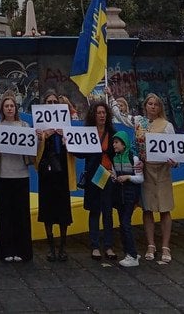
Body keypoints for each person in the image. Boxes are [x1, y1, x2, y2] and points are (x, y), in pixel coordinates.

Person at [134, 93, 177, 263]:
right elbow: (120, 117)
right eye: (150, 103)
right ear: (145, 106)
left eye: (156, 104)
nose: (152, 106)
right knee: (148, 208)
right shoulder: (139, 122)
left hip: (163, 171)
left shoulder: (167, 126)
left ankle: (165, 245)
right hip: (146, 170)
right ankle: (150, 244)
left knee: (165, 208)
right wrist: (111, 98)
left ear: (160, 107)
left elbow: (175, 150)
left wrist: (175, 162)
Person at [0, 95, 33, 262]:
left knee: (21, 214)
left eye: (12, 106)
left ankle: (23, 251)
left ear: (16, 108)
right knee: (4, 214)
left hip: (21, 174)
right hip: (2, 174)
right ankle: (5, 250)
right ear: (2, 109)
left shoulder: (25, 125)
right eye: (6, 106)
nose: (9, 108)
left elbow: (31, 150)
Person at [35, 90, 73, 262]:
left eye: (54, 102)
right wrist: (44, 136)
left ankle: (63, 247)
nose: (51, 105)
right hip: (47, 173)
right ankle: (51, 247)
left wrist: (66, 139)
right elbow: (34, 151)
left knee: (63, 209)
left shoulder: (66, 126)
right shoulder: (40, 127)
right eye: (48, 102)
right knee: (47, 209)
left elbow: (76, 147)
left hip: (63, 172)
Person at [81, 101, 117, 261]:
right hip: (93, 176)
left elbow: (117, 154)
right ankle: (95, 246)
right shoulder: (87, 133)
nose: (102, 115)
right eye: (99, 113)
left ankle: (109, 246)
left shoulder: (112, 132)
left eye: (104, 113)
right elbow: (81, 154)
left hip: (108, 175)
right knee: (95, 211)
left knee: (108, 212)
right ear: (93, 116)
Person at [111, 130, 144, 267]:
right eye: (114, 142)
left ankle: (132, 254)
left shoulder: (133, 158)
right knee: (122, 224)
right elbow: (114, 173)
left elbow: (140, 178)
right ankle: (128, 252)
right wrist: (113, 177)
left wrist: (128, 177)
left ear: (124, 144)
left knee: (125, 224)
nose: (114, 145)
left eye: (117, 142)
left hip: (130, 195)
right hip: (120, 195)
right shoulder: (115, 158)